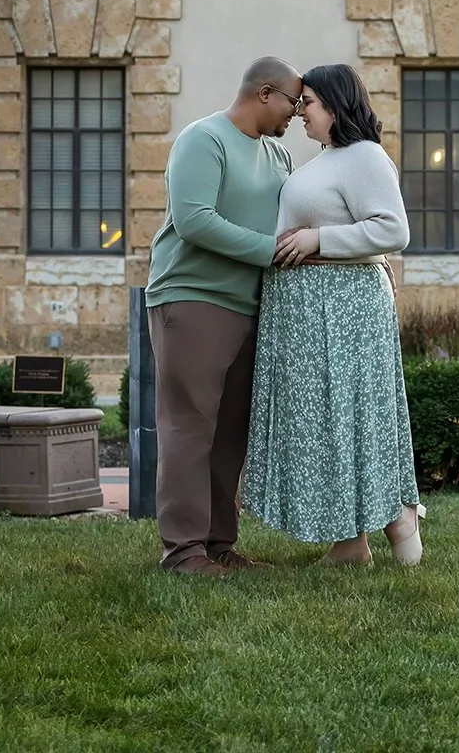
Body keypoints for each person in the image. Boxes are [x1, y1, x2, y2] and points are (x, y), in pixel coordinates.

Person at [244, 62, 424, 566]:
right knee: (328, 421)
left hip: (341, 310)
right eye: (300, 104)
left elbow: (393, 230)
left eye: (312, 104)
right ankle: (353, 541)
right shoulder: (328, 158)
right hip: (311, 309)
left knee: (346, 415)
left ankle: (394, 521)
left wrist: (317, 238)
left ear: (337, 106)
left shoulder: (364, 156)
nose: (302, 113)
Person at [144, 55, 301, 574]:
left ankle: (217, 544)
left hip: (251, 305)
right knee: (190, 427)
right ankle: (182, 549)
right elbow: (194, 221)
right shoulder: (203, 139)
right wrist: (271, 251)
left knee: (231, 432)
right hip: (192, 298)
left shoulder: (279, 156)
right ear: (263, 93)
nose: (296, 113)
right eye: (292, 101)